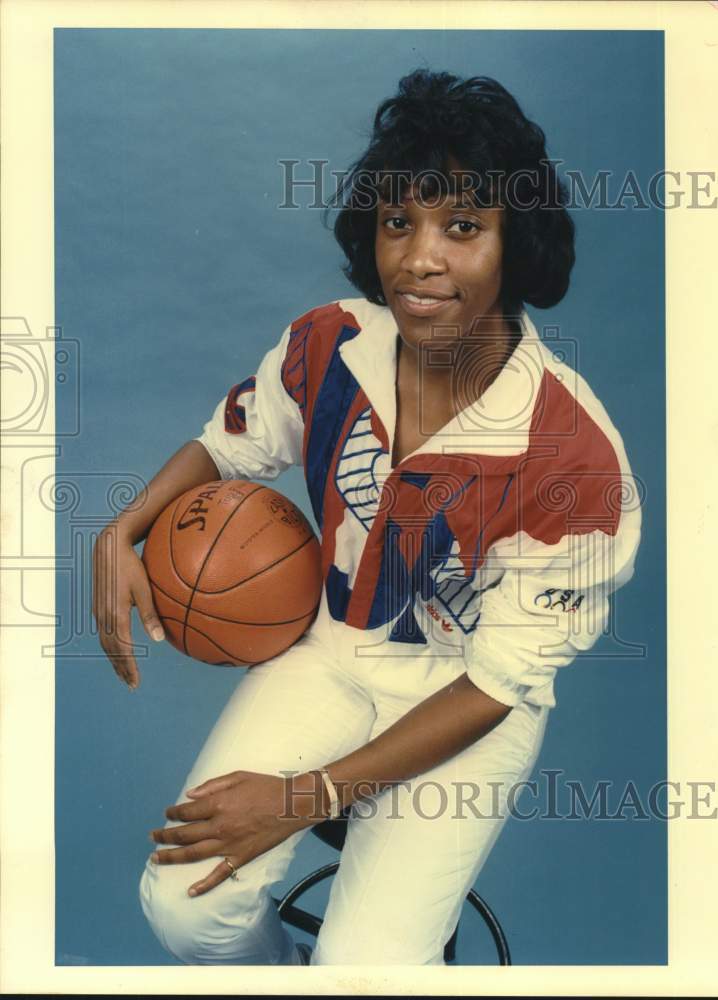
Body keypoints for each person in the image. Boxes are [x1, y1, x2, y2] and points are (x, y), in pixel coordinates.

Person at [92, 68, 641, 966]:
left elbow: (499, 686)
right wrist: (122, 530)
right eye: (399, 223)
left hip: (464, 700)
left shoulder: (574, 458)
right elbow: (228, 446)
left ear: (518, 245)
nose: (419, 258)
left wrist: (302, 798)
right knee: (186, 906)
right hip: (333, 655)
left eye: (463, 227)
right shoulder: (329, 342)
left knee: (366, 974)